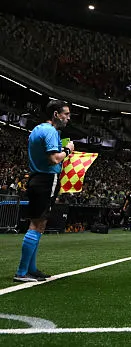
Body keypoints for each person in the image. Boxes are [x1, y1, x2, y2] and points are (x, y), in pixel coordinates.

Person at [14, 100, 72, 282]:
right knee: (37, 224)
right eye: (66, 114)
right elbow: (54, 159)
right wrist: (68, 150)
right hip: (47, 179)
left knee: (38, 223)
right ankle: (22, 272)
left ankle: (30, 269)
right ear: (56, 114)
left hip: (35, 178)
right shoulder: (51, 131)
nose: (68, 118)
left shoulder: (37, 129)